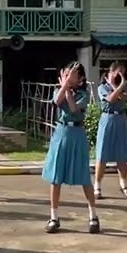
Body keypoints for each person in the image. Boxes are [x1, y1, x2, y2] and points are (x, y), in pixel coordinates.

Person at [42, 61, 100, 234]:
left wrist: (66, 87)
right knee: (56, 176)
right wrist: (64, 87)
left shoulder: (84, 93)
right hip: (61, 132)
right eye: (66, 73)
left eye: (73, 74)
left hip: (77, 134)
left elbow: (74, 108)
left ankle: (93, 215)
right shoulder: (58, 89)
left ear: (81, 78)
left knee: (83, 177)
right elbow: (56, 101)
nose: (68, 76)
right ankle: (54, 217)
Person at [93, 62, 127, 200]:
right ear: (110, 72)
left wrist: (118, 85)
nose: (120, 76)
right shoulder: (102, 87)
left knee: (121, 154)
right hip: (108, 119)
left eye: (123, 73)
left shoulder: (124, 86)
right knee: (102, 154)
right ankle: (97, 186)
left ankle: (124, 185)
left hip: (121, 119)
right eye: (118, 72)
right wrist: (113, 85)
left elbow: (126, 98)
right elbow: (111, 99)